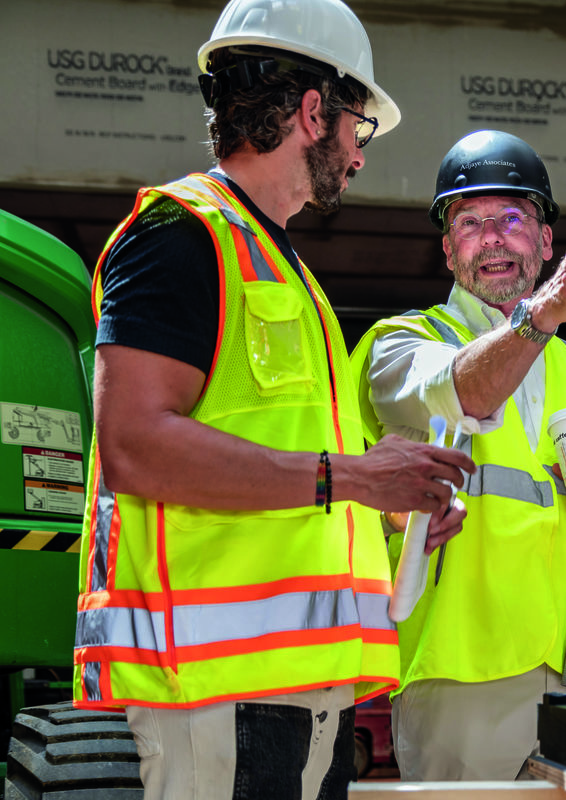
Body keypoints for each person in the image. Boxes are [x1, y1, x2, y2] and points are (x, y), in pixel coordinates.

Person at [72, 1, 475, 798]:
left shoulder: (274, 261)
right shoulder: (182, 237)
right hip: (217, 691)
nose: (358, 157)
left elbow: (282, 464)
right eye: (359, 130)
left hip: (299, 688)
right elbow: (135, 447)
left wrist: (391, 513)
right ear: (314, 111)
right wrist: (356, 478)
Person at [351, 129, 566, 781]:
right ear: (447, 248)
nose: (494, 237)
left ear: (545, 242)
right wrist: (540, 316)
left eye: (512, 218)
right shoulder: (402, 345)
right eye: (471, 222)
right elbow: (458, 389)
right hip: (455, 671)